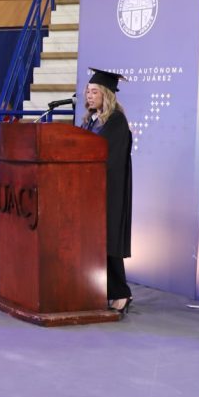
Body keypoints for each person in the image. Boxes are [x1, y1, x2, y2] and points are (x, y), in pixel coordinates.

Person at [80, 68, 133, 315]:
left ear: (106, 94)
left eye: (94, 92)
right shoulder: (91, 120)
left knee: (108, 240)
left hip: (109, 189)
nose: (89, 96)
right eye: (88, 92)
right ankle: (102, 289)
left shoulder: (116, 121)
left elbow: (110, 157)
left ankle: (121, 292)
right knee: (95, 242)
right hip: (90, 189)